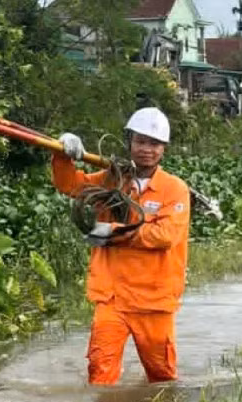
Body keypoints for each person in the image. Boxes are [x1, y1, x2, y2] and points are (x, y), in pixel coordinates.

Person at [51, 107, 191, 385]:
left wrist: (114, 231)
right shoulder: (112, 180)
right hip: (112, 298)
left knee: (161, 378)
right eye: (140, 141)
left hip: (154, 300)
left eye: (154, 143)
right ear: (130, 143)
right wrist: (61, 155)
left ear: (163, 149)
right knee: (100, 373)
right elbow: (71, 185)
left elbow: (164, 236)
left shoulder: (174, 189)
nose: (146, 149)